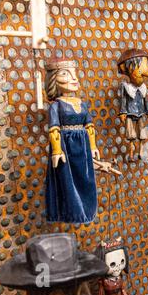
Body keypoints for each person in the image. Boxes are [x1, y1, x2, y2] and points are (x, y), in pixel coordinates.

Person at [44, 58, 99, 223]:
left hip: (82, 147)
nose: (74, 78)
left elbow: (89, 126)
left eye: (74, 74)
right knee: (68, 181)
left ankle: (86, 212)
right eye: (65, 74)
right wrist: (56, 150)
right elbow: (54, 128)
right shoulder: (56, 106)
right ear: (54, 80)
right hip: (66, 147)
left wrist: (93, 146)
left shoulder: (82, 104)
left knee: (86, 180)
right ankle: (71, 213)